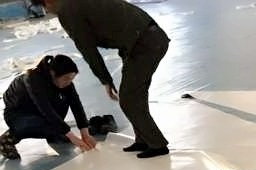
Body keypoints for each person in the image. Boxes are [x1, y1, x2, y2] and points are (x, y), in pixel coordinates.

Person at [30, 0, 170, 159]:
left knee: (129, 98)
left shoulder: (68, 11)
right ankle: (143, 140)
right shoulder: (74, 4)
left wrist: (105, 80)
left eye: (44, 6)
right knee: (131, 97)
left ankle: (157, 144)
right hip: (141, 39)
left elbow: (88, 49)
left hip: (144, 42)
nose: (47, 11)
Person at [0, 54, 96, 160]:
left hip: (38, 109)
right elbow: (46, 109)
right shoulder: (32, 78)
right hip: (18, 114)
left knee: (63, 104)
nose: (69, 82)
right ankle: (8, 138)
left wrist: (85, 133)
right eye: (66, 79)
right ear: (53, 73)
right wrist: (73, 137)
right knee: (39, 124)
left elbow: (76, 105)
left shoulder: (64, 82)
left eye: (71, 79)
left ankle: (54, 133)